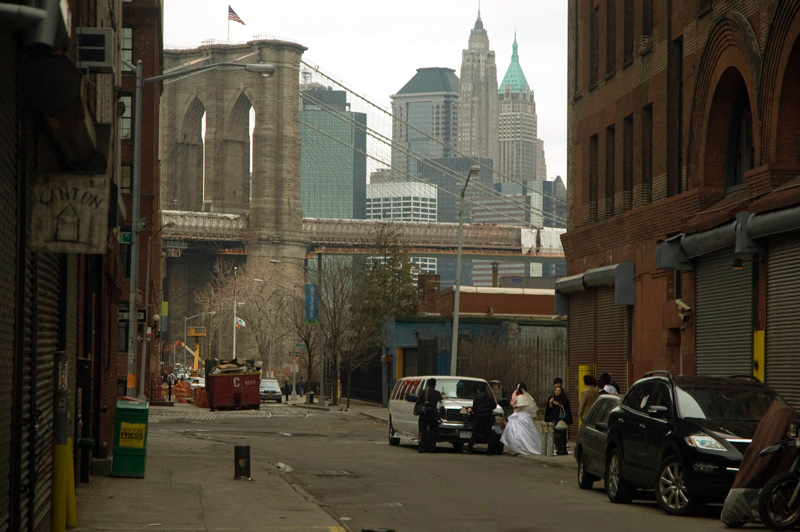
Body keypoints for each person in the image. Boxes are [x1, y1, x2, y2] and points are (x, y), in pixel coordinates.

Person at [500, 383, 542, 455]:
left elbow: (520, 406)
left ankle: (521, 448)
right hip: (527, 416)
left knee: (518, 432)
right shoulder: (529, 397)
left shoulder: (520, 397)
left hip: (521, 416)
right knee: (528, 433)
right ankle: (528, 447)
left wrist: (515, 410)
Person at [466, 383, 497, 455]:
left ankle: (469, 448)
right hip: (488, 417)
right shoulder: (490, 397)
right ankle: (489, 451)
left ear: (478, 390)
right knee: (488, 434)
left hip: (479, 417)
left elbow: (474, 408)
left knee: (475, 434)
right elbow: (494, 406)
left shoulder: (476, 398)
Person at [416, 378, 443, 453]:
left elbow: (418, 402)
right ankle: (432, 448)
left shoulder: (424, 392)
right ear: (435, 384)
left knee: (423, 432)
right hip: (433, 415)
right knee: (432, 432)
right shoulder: (437, 393)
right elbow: (441, 401)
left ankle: (422, 448)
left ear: (428, 384)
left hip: (424, 415)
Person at [546, 384, 573, 455]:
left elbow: (565, 407)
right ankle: (556, 447)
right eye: (556, 390)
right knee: (554, 433)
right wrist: (550, 402)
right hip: (553, 417)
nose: (557, 392)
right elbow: (549, 408)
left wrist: (558, 404)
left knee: (561, 433)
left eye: (558, 391)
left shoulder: (564, 398)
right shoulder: (552, 398)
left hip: (561, 418)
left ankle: (561, 448)